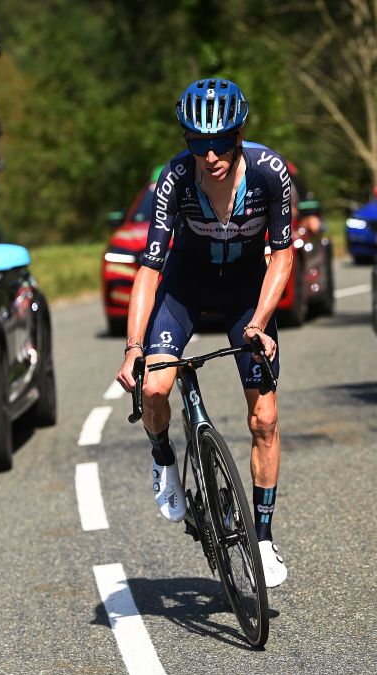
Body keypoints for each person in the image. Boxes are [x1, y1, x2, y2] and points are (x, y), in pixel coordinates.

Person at [115, 78, 292, 588]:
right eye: (197, 143)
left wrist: (258, 321)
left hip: (245, 291)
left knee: (264, 417)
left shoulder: (268, 172)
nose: (209, 154)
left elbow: (281, 255)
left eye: (219, 142)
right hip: (186, 285)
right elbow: (149, 270)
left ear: (239, 135)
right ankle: (163, 456)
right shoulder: (174, 179)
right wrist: (133, 348)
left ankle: (262, 537)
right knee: (153, 387)